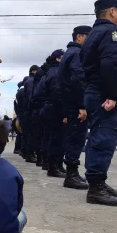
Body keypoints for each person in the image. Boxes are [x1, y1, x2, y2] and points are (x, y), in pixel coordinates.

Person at [80, 0, 117, 206]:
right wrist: (112, 95)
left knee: (99, 137)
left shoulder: (94, 34)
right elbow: (110, 63)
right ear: (112, 11)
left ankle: (98, 181)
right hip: (104, 94)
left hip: (96, 92)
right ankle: (95, 188)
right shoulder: (110, 33)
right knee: (103, 139)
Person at [59, 25, 92, 189]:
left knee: (74, 136)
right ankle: (71, 175)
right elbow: (78, 80)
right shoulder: (77, 53)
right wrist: (82, 105)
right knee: (77, 138)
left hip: (70, 102)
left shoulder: (69, 53)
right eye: (88, 36)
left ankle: (72, 173)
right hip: (75, 103)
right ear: (79, 37)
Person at [42, 49, 66, 178]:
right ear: (58, 59)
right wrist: (64, 113)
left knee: (59, 139)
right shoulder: (56, 72)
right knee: (56, 139)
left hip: (54, 108)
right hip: (56, 109)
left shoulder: (54, 71)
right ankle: (53, 167)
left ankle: (58, 165)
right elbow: (57, 93)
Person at [22, 65, 40, 162]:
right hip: (31, 110)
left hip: (28, 110)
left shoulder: (28, 81)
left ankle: (28, 153)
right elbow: (30, 96)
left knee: (30, 133)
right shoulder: (31, 81)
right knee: (33, 133)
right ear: (33, 71)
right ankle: (30, 154)